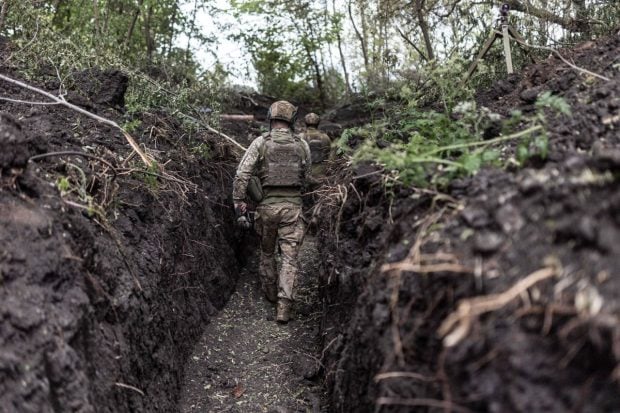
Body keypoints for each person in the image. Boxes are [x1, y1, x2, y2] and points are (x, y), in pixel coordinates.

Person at [232, 100, 311, 323]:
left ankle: (269, 293)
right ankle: (284, 306)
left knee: (267, 252)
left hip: (266, 209)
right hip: (293, 209)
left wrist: (239, 203)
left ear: (271, 118)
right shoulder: (301, 144)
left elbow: (242, 175)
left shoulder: (260, 142)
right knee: (290, 258)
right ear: (291, 120)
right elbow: (306, 175)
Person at [301, 113, 332, 180]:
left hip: (304, 175)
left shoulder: (300, 136)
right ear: (318, 123)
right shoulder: (325, 137)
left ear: (305, 123)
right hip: (321, 174)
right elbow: (329, 155)